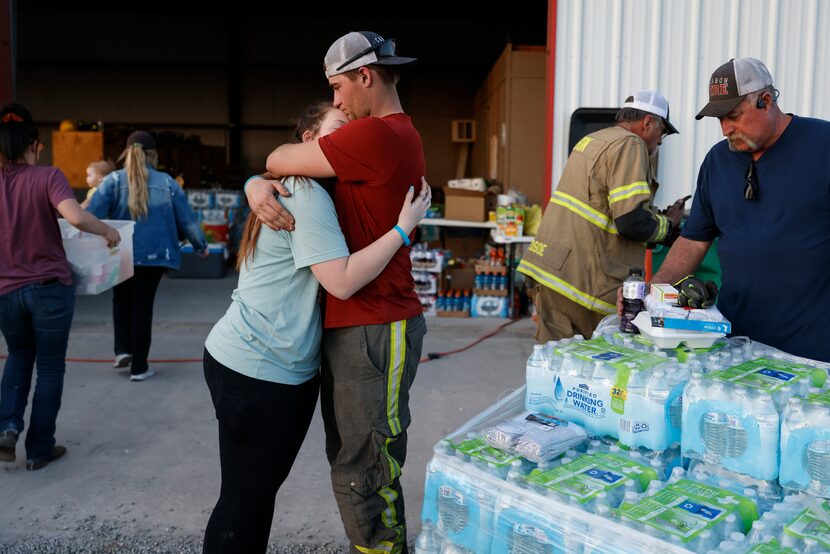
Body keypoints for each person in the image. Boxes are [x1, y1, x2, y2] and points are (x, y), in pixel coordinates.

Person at [202, 101, 431, 554]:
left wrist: (253, 182)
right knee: (244, 500)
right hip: (259, 369)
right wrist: (403, 229)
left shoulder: (299, 188)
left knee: (250, 495)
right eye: (340, 130)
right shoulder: (304, 193)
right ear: (310, 142)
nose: (350, 139)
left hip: (251, 360)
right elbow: (342, 281)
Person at [645, 58, 830, 362]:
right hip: (734, 346)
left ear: (766, 101)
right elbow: (694, 240)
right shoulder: (717, 161)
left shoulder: (822, 147)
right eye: (719, 119)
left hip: (811, 353)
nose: (724, 129)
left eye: (733, 116)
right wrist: (650, 293)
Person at [0, 102, 120, 471]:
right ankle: (40, 449)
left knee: (18, 356)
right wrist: (108, 231)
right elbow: (75, 216)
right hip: (49, 288)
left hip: (6, 292)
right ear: (34, 144)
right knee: (51, 366)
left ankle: (7, 428)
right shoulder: (46, 176)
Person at [518, 90, 689, 342]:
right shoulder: (631, 145)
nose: (660, 141)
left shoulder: (594, 140)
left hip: (553, 271)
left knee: (553, 365)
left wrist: (657, 216)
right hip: (585, 282)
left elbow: (604, 209)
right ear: (648, 122)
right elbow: (630, 221)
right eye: (662, 132)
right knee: (594, 368)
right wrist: (670, 225)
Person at [87, 131, 207, 381]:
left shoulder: (112, 181)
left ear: (126, 153)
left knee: (121, 299)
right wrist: (200, 245)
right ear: (153, 154)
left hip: (119, 252)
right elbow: (186, 220)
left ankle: (122, 351)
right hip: (154, 256)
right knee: (142, 306)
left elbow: (92, 214)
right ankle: (139, 367)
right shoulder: (167, 183)